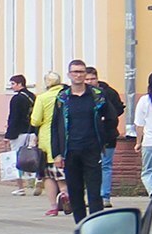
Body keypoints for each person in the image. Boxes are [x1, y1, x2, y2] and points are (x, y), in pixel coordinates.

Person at [48, 60, 125, 220]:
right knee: (75, 193)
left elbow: (112, 118)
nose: (78, 75)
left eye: (81, 72)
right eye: (75, 72)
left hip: (92, 150)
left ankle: (94, 230)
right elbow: (55, 126)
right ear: (69, 75)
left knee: (94, 193)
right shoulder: (63, 98)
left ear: (85, 75)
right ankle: (81, 228)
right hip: (70, 151)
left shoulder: (97, 96)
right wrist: (57, 153)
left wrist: (103, 139)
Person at [31, 71, 67, 212]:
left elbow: (35, 120)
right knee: (62, 174)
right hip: (65, 138)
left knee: (48, 175)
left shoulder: (43, 98)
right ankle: (65, 194)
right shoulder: (66, 95)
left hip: (47, 140)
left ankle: (53, 206)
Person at [1, 74, 37, 192]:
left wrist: (8, 135)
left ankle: (20, 187)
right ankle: (35, 179)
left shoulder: (16, 99)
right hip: (31, 131)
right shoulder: (32, 96)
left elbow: (14, 118)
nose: (11, 87)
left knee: (16, 159)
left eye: (13, 84)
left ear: (20, 84)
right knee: (32, 157)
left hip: (18, 133)